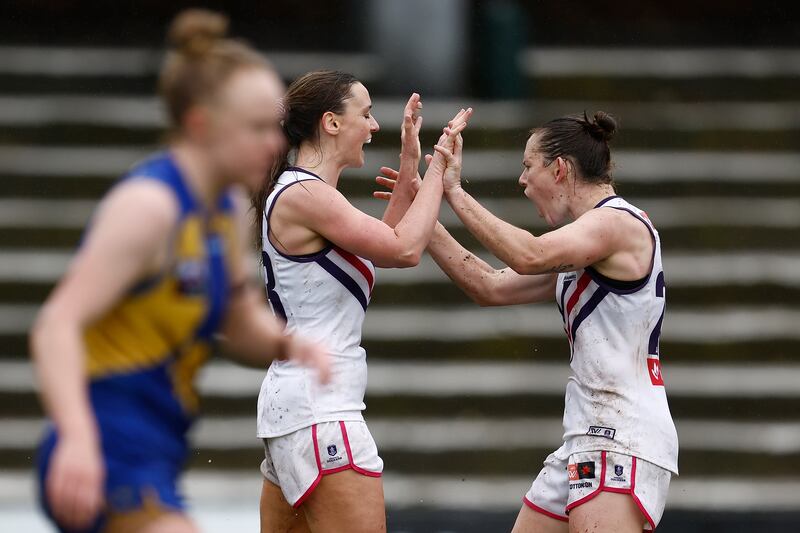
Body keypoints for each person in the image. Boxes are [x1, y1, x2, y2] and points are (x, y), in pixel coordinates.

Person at [31, 9, 329, 533]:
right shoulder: (150, 207)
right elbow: (55, 325)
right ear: (200, 124)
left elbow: (238, 320)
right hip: (103, 448)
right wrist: (77, 439)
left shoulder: (223, 211)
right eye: (257, 128)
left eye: (275, 127)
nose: (275, 144)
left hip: (157, 449)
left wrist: (288, 345)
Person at [375, 112, 679, 532]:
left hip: (621, 437)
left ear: (560, 169)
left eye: (527, 166)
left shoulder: (616, 223)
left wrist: (453, 192)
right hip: (585, 437)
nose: (522, 180)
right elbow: (489, 286)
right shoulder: (584, 243)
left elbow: (529, 254)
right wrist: (422, 213)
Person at [254, 69, 471, 532]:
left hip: (294, 412)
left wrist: (410, 161)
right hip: (321, 411)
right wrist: (439, 169)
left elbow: (381, 251)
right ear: (332, 123)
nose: (374, 126)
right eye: (367, 114)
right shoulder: (307, 193)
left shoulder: (305, 193)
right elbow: (406, 248)